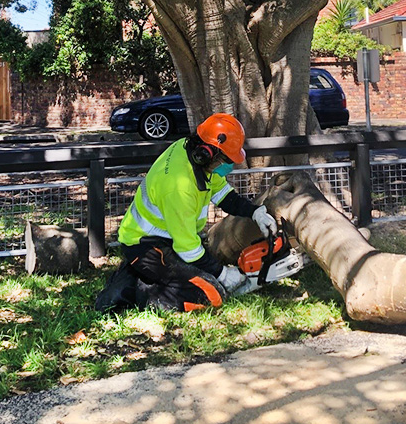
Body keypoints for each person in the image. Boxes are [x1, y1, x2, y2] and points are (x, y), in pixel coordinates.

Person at [95, 113, 277, 312]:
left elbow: (224, 194)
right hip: (146, 245)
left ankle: (138, 273)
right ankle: (133, 293)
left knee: (202, 277)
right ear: (207, 153)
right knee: (211, 295)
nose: (229, 166)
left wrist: (255, 212)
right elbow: (188, 249)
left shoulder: (192, 153)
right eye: (226, 159)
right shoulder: (179, 186)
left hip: (167, 240)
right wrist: (223, 274)